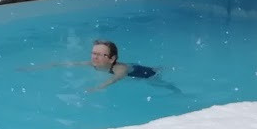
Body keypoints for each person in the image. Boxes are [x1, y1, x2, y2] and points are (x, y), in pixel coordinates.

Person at [21, 39, 162, 92]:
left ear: (112, 59)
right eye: (94, 53)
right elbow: (66, 64)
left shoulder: (120, 68)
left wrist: (98, 87)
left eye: (101, 55)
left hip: (146, 74)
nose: (95, 57)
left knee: (159, 84)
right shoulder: (92, 64)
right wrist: (44, 66)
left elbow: (115, 79)